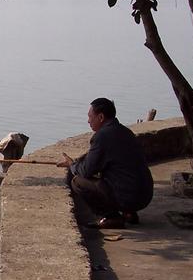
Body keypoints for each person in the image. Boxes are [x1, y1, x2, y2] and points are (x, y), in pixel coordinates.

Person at [57, 98, 153, 229]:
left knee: (77, 182)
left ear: (101, 117)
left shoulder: (102, 136)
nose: (88, 121)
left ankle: (111, 217)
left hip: (128, 196)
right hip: (145, 195)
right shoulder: (125, 132)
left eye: (90, 117)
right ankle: (128, 213)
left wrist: (72, 165)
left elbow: (86, 171)